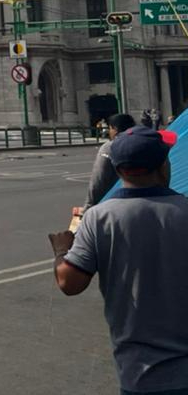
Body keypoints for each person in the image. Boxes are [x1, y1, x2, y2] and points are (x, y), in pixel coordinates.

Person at [52, 126, 187, 394]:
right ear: (163, 166)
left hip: (140, 375)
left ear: (118, 171)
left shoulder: (99, 218)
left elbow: (70, 283)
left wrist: (61, 250)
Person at [80, 113, 133, 214]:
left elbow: (99, 179)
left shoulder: (109, 147)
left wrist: (89, 206)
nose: (109, 132)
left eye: (110, 128)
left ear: (115, 129)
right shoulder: (145, 144)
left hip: (115, 203)